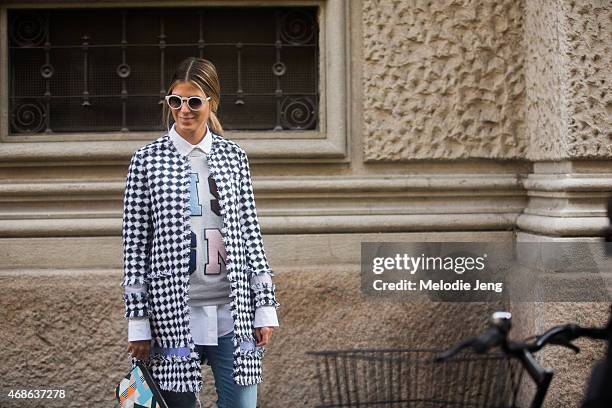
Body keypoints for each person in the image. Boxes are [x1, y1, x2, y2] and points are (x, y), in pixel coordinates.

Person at [121, 57, 279, 408]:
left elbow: (250, 232)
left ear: (212, 102)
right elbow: (135, 247)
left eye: (194, 101)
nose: (184, 110)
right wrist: (138, 322)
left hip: (233, 311)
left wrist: (264, 306)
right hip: (172, 315)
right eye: (176, 101)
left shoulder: (233, 157)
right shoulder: (146, 160)